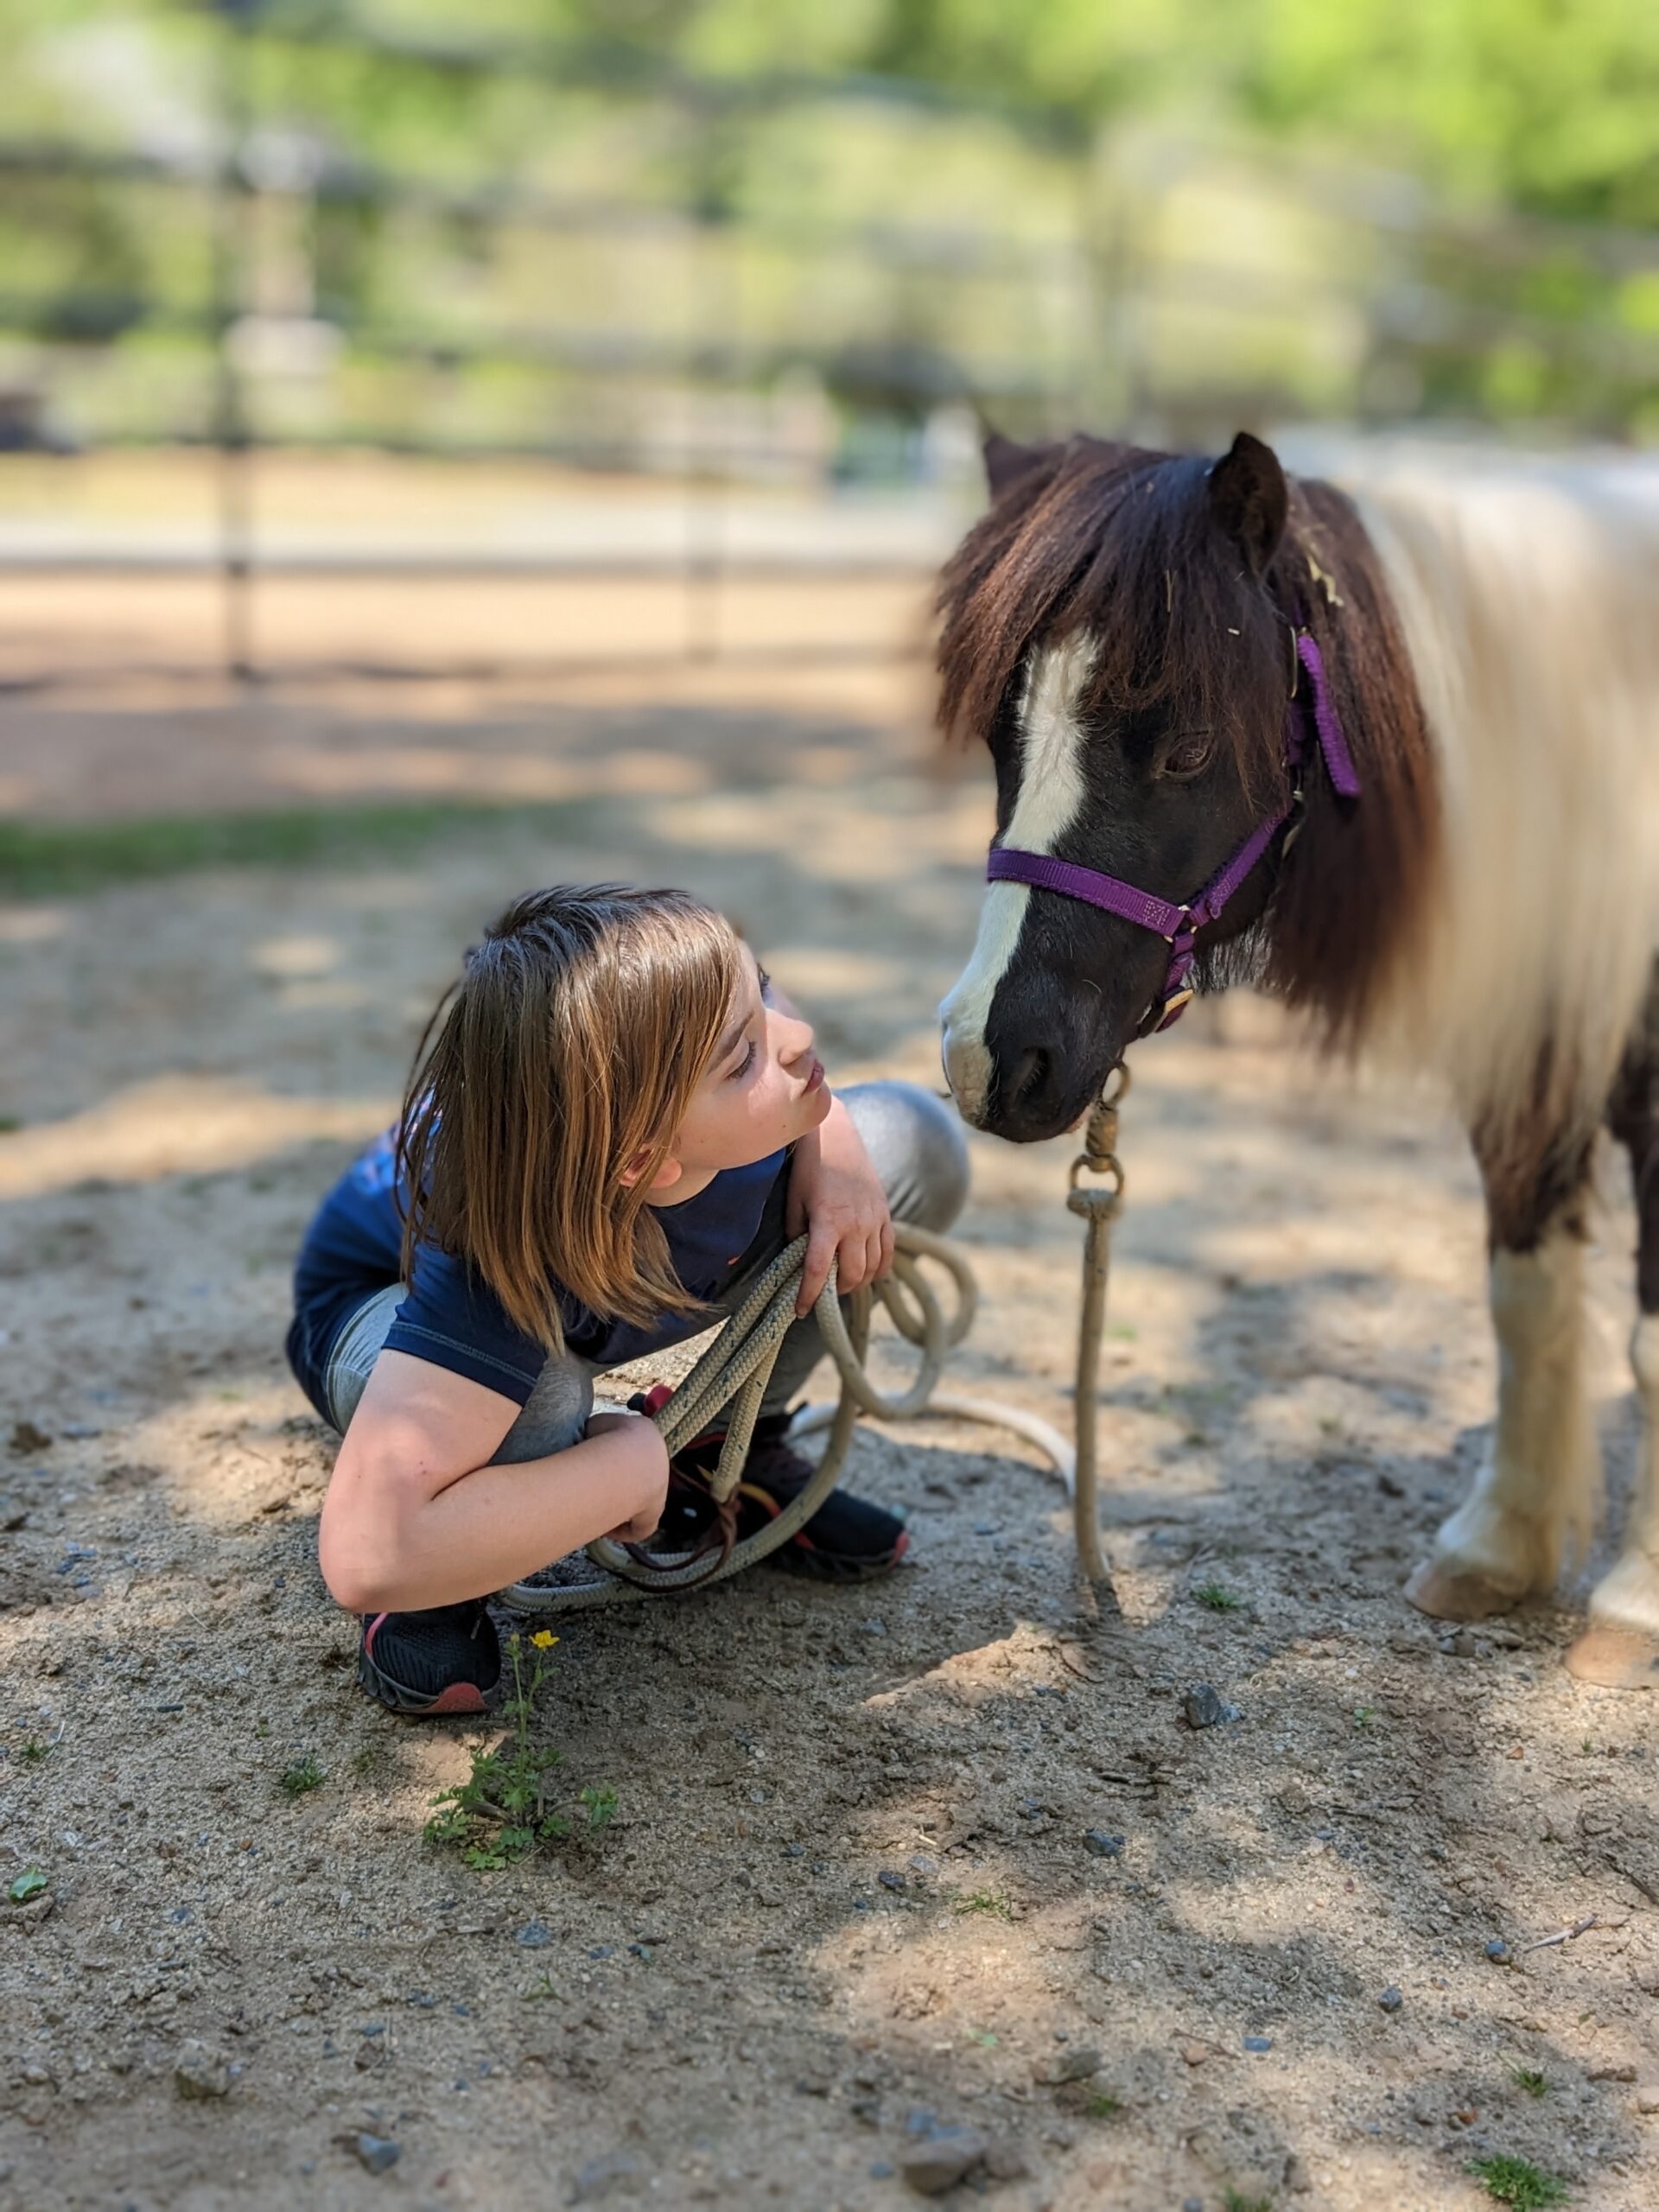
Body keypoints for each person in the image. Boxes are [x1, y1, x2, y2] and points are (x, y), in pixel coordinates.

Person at [285, 883, 969, 1716]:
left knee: (913, 1139)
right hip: (379, 1302)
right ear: (646, 1164)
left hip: (612, 1246)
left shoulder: (692, 1103)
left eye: (757, 994)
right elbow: (365, 1554)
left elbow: (764, 1012)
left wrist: (835, 1140)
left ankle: (725, 1455)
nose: (798, 1038)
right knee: (540, 1400)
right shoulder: (500, 1256)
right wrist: (625, 1465)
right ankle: (446, 1582)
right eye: (743, 1056)